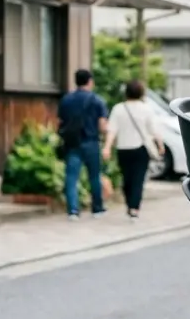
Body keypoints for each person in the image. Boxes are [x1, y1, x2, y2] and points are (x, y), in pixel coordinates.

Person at [102, 80, 163, 220]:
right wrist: (160, 145)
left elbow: (112, 130)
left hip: (123, 149)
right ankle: (134, 207)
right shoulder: (146, 108)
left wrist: (107, 147)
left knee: (127, 178)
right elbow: (154, 130)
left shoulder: (118, 108)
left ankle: (131, 205)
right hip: (141, 150)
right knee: (138, 179)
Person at [58, 69, 109, 220]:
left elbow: (60, 122)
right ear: (90, 81)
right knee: (94, 176)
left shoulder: (66, 100)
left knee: (71, 178)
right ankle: (97, 209)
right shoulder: (97, 100)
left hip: (72, 143)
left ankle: (73, 211)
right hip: (91, 142)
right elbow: (102, 125)